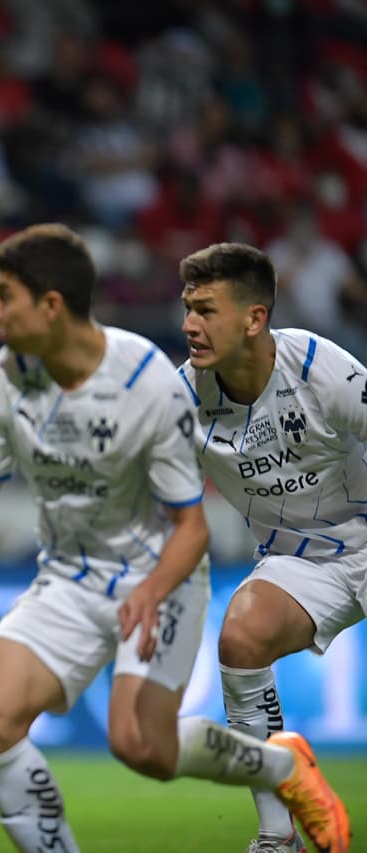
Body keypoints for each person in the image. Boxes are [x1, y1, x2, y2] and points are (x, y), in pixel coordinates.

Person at [0, 225, 350, 853]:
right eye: (186, 308)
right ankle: (277, 804)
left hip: (175, 571)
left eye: (4, 298)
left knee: (139, 744)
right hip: (79, 576)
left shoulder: (156, 381)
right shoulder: (3, 382)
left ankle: (280, 778)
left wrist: (152, 590)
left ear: (50, 305)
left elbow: (189, 527)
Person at [179, 242, 360, 853]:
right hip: (301, 561)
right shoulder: (183, 400)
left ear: (254, 319)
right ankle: (277, 835)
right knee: (241, 636)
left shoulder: (322, 369)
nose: (188, 325)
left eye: (206, 309)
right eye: (187, 308)